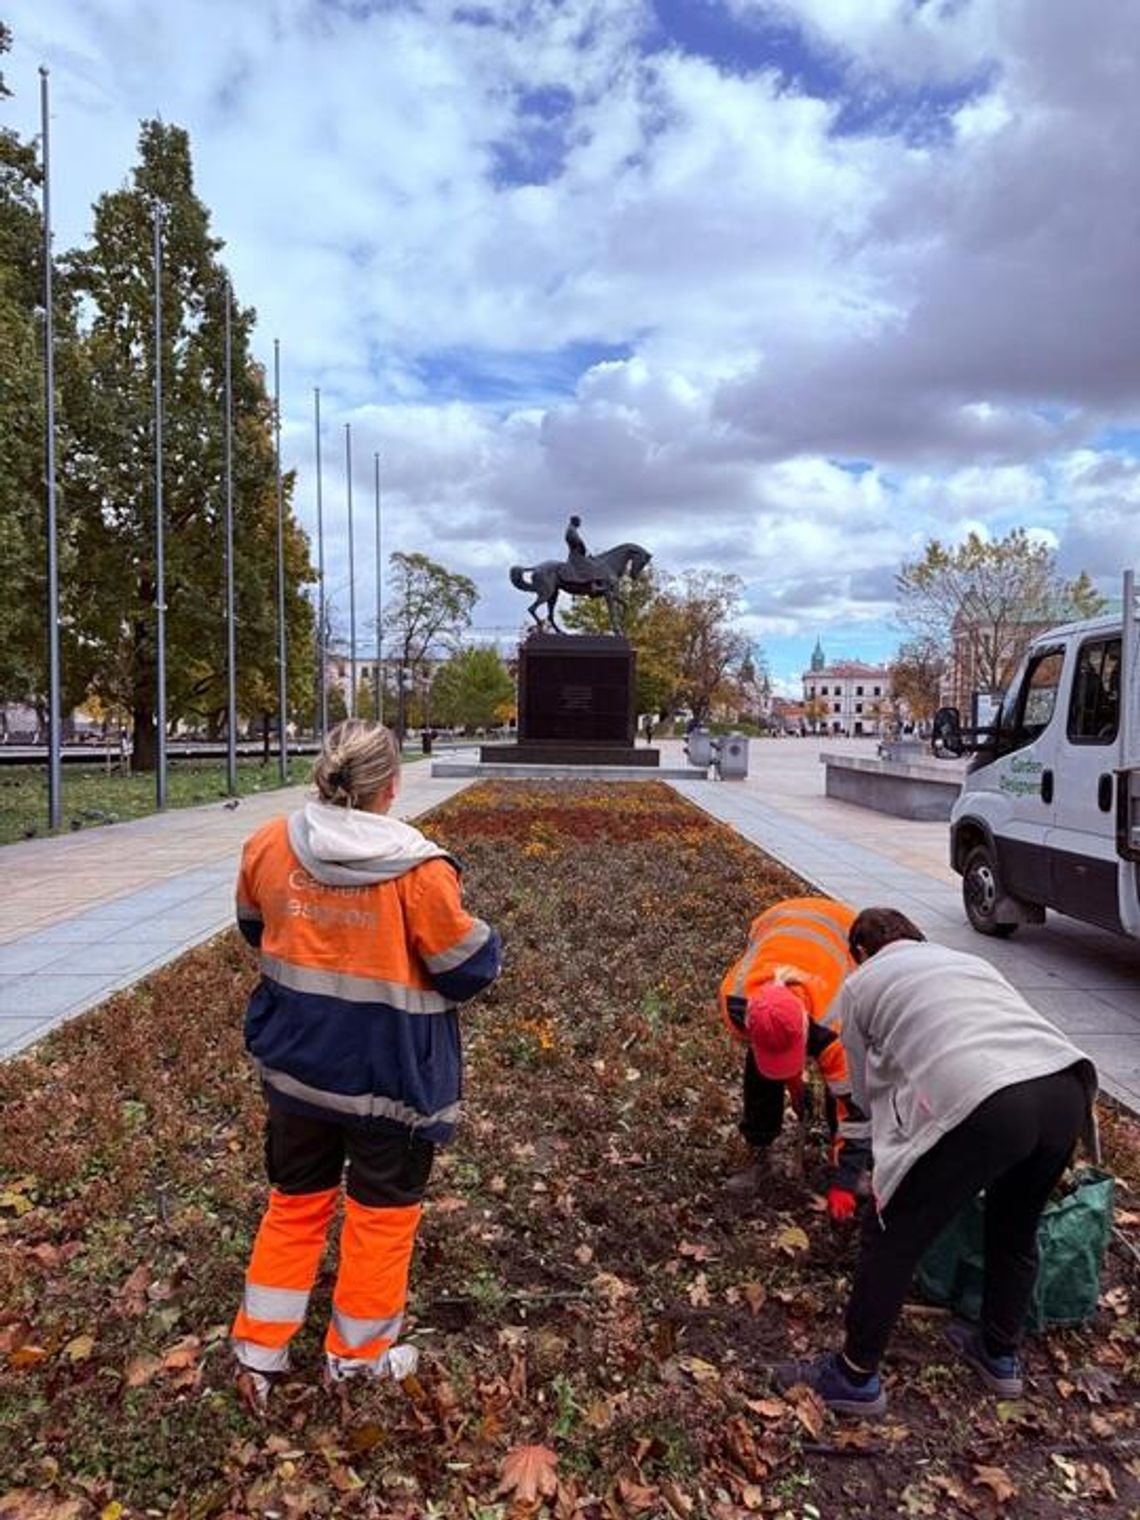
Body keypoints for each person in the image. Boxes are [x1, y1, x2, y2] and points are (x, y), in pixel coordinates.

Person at [230, 719, 502, 1411]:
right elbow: (464, 969)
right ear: (392, 786)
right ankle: (356, 1359)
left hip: (296, 1068)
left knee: (294, 1203)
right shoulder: (420, 871)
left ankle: (259, 1351)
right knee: (381, 1217)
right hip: (391, 1082)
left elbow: (255, 928)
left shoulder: (269, 843)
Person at [776, 907, 1097, 1417]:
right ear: (918, 937)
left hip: (986, 1097)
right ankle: (999, 1354)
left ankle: (854, 1376)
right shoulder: (965, 960)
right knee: (1015, 1227)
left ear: (859, 951)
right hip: (1065, 1087)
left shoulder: (862, 983)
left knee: (891, 1233)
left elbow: (861, 1090)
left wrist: (879, 1162)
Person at [718, 896, 870, 1219]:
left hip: (841, 928)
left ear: (805, 1028)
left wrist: (847, 1179)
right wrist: (793, 1085)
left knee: (840, 1088)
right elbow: (769, 1048)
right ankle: (759, 1146)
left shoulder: (835, 1022)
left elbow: (853, 1106)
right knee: (758, 1073)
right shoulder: (735, 1000)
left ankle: (842, 1161)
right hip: (776, 920)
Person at [565, 515, 591, 581]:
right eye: (579, 522)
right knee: (589, 566)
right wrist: (582, 545)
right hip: (576, 553)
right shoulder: (571, 530)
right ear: (575, 522)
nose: (580, 523)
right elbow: (576, 541)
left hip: (578, 552)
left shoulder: (573, 529)